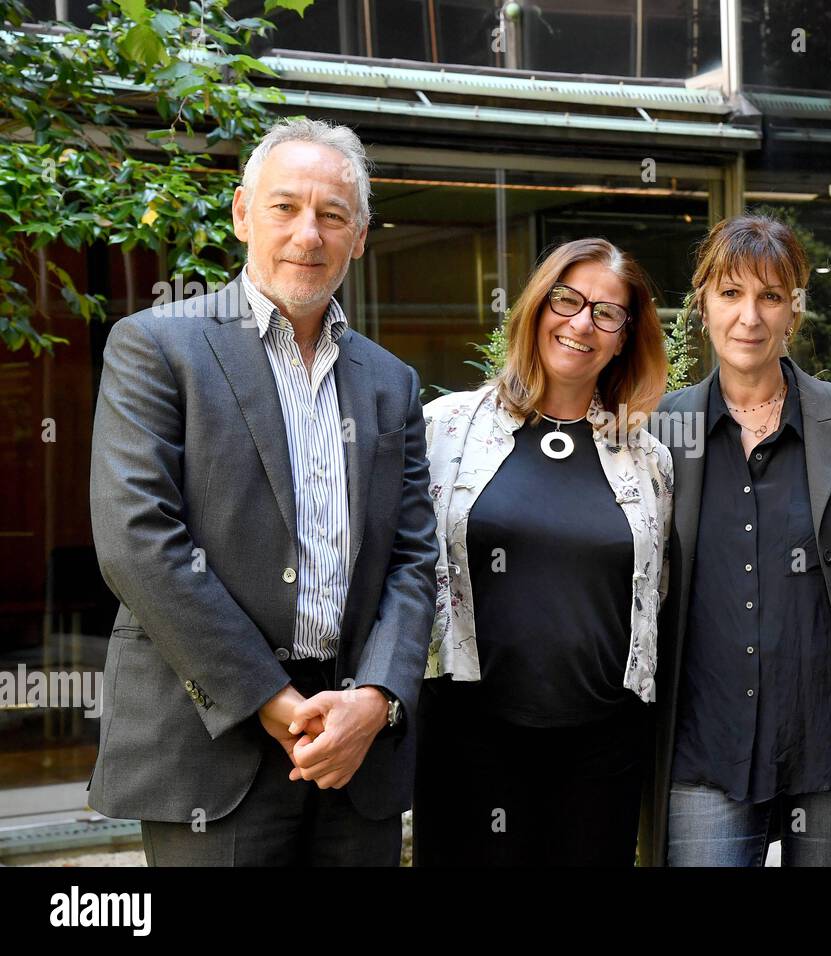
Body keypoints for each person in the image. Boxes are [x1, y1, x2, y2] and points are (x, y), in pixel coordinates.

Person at [87, 118, 439, 865]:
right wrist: (270, 699)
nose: (308, 235)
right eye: (285, 207)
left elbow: (413, 560)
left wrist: (376, 699)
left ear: (360, 237)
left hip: (353, 746)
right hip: (210, 741)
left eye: (333, 215)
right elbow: (137, 542)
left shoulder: (390, 382)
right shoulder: (157, 346)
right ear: (244, 213)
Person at [414, 238, 673, 866]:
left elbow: (655, 595)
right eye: (567, 300)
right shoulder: (446, 428)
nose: (582, 324)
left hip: (602, 751)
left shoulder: (649, 461)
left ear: (623, 338)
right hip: (468, 739)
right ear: (537, 306)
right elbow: (403, 568)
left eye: (606, 313)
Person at [643, 214, 831, 867]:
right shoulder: (658, 432)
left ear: (794, 311)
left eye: (770, 296)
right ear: (703, 305)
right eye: (731, 293)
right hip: (704, 746)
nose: (749, 316)